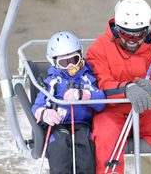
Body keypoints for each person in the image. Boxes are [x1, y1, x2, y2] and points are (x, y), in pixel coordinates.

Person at [86, 0, 151, 174]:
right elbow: (99, 84)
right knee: (105, 137)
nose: (132, 40)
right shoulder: (99, 49)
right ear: (117, 29)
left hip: (148, 111)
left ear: (147, 30)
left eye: (138, 34)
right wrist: (126, 89)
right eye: (126, 34)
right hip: (111, 111)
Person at [32, 31, 106, 174]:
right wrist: (44, 113)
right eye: (64, 62)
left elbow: (101, 101)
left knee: (84, 150)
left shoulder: (86, 79)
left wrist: (82, 94)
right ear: (54, 62)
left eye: (75, 59)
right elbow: (37, 106)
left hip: (81, 124)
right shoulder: (52, 82)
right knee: (60, 147)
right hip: (58, 125)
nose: (71, 66)